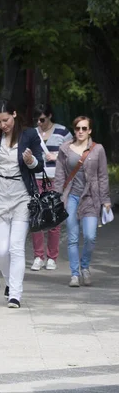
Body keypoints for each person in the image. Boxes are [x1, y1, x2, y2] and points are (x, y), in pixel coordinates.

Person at [0, 100, 43, 309]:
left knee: (16, 247)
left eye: (6, 120)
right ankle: (10, 281)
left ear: (14, 114)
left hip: (21, 195)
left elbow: (38, 165)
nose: (4, 125)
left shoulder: (29, 134)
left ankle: (15, 293)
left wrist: (30, 159)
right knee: (0, 250)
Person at [54, 116, 111, 287]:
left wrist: (106, 199)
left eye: (84, 128)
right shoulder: (65, 149)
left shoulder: (98, 149)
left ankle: (85, 266)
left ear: (90, 131)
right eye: (77, 128)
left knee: (90, 236)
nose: (80, 131)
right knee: (72, 238)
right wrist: (57, 196)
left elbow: (102, 176)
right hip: (71, 197)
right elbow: (59, 174)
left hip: (91, 198)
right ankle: (74, 274)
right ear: (74, 130)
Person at [30, 103, 72, 271]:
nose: (39, 123)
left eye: (42, 119)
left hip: (56, 179)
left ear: (49, 116)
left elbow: (73, 155)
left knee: (54, 217)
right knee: (36, 217)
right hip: (36, 178)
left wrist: (57, 157)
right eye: (37, 120)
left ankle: (52, 257)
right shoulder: (33, 133)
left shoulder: (63, 132)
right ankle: (38, 256)